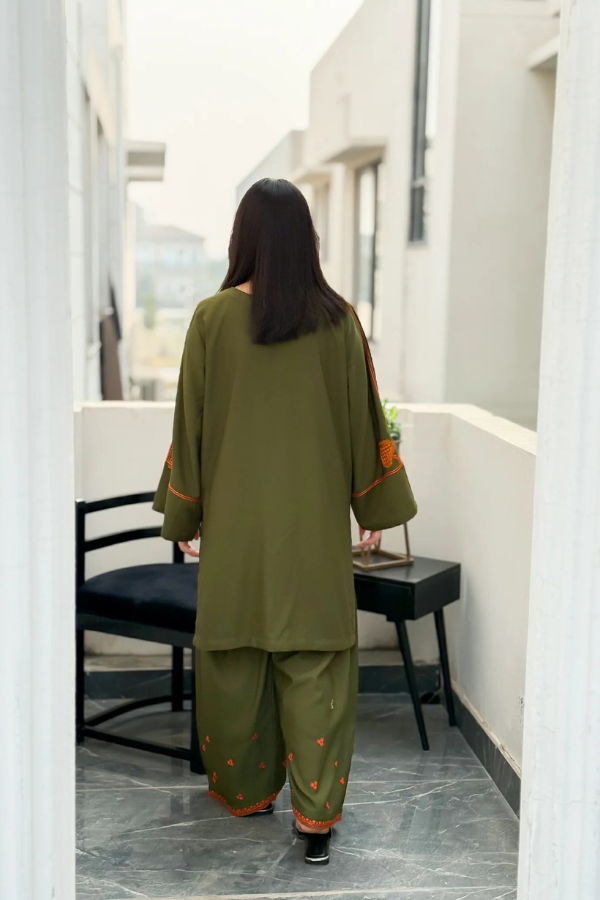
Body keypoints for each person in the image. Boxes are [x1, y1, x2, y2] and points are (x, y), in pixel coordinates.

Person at [153, 178, 417, 865]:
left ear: (242, 239)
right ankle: (316, 822)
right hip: (310, 534)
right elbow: (366, 420)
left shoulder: (210, 320)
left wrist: (185, 509)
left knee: (237, 657)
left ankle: (250, 793)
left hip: (237, 530)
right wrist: (375, 506)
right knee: (316, 664)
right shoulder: (340, 322)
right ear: (308, 242)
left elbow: (192, 426)